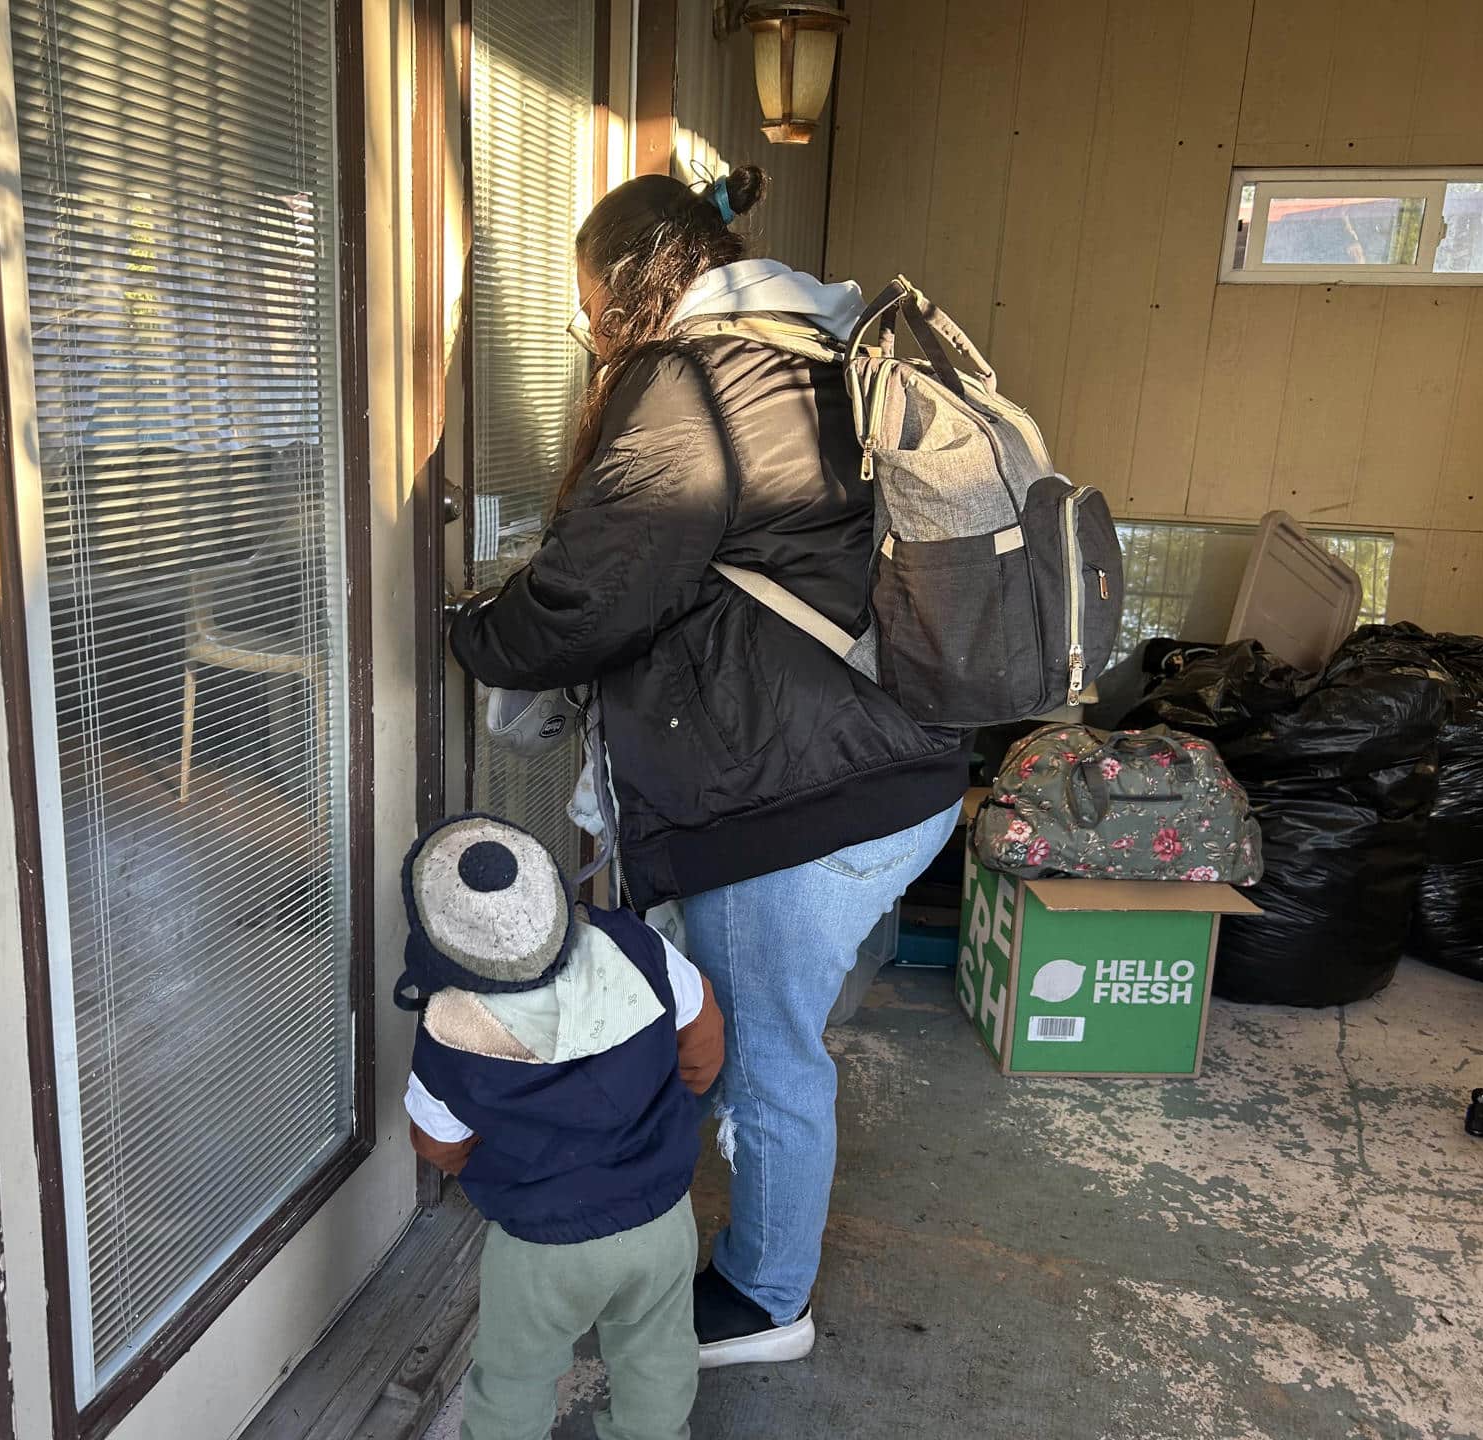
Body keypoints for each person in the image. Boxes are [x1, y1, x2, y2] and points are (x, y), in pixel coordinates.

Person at [448, 166, 967, 1368]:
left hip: (808, 799)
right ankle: (655, 1225)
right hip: (867, 767)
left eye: (589, 307)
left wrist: (467, 629)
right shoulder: (809, 348)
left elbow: (587, 601)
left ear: (632, 291)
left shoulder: (700, 378)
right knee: (716, 1021)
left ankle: (766, 1300)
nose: (587, 333)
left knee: (764, 1052)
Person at [398, 813, 725, 1440]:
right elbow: (701, 1036)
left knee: (515, 1375)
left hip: (539, 1248)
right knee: (658, 1356)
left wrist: (503, 1169)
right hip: (660, 1220)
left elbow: (439, 1141)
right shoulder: (634, 945)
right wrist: (673, 1109)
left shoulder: (447, 1027)